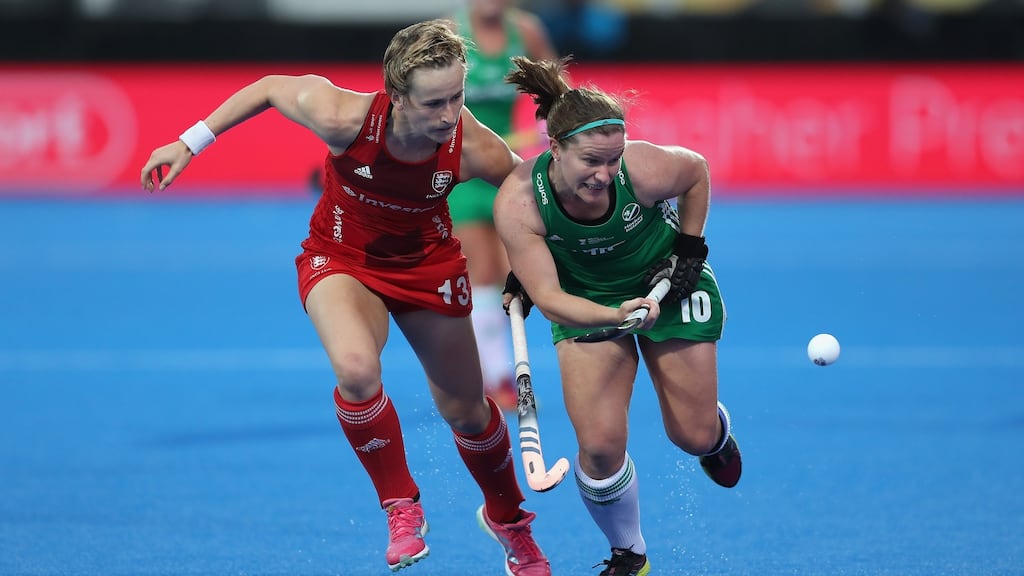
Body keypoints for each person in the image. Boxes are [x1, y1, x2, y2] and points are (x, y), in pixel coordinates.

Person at [140, 20, 551, 576]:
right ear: (397, 96)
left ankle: (507, 520)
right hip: (340, 258)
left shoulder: (472, 144)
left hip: (428, 266)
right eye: (434, 103)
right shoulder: (341, 116)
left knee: (468, 412)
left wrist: (528, 267)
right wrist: (189, 142)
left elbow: (523, 197)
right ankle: (402, 507)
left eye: (457, 97)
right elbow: (266, 87)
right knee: (356, 371)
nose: (450, 115)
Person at [495, 56, 742, 576]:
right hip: (585, 301)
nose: (605, 175)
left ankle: (715, 438)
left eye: (613, 160)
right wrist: (614, 313)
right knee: (601, 448)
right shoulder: (519, 202)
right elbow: (551, 299)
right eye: (591, 161)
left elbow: (695, 170)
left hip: (667, 284)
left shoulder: (643, 167)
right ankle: (629, 552)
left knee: (691, 436)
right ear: (555, 148)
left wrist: (690, 250)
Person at [444, 0, 557, 411]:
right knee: (482, 276)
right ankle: (498, 380)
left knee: (517, 275)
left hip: (509, 165)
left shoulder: (526, 32)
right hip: (462, 170)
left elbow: (555, 89)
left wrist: (550, 128)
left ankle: (509, 372)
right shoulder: (447, 31)